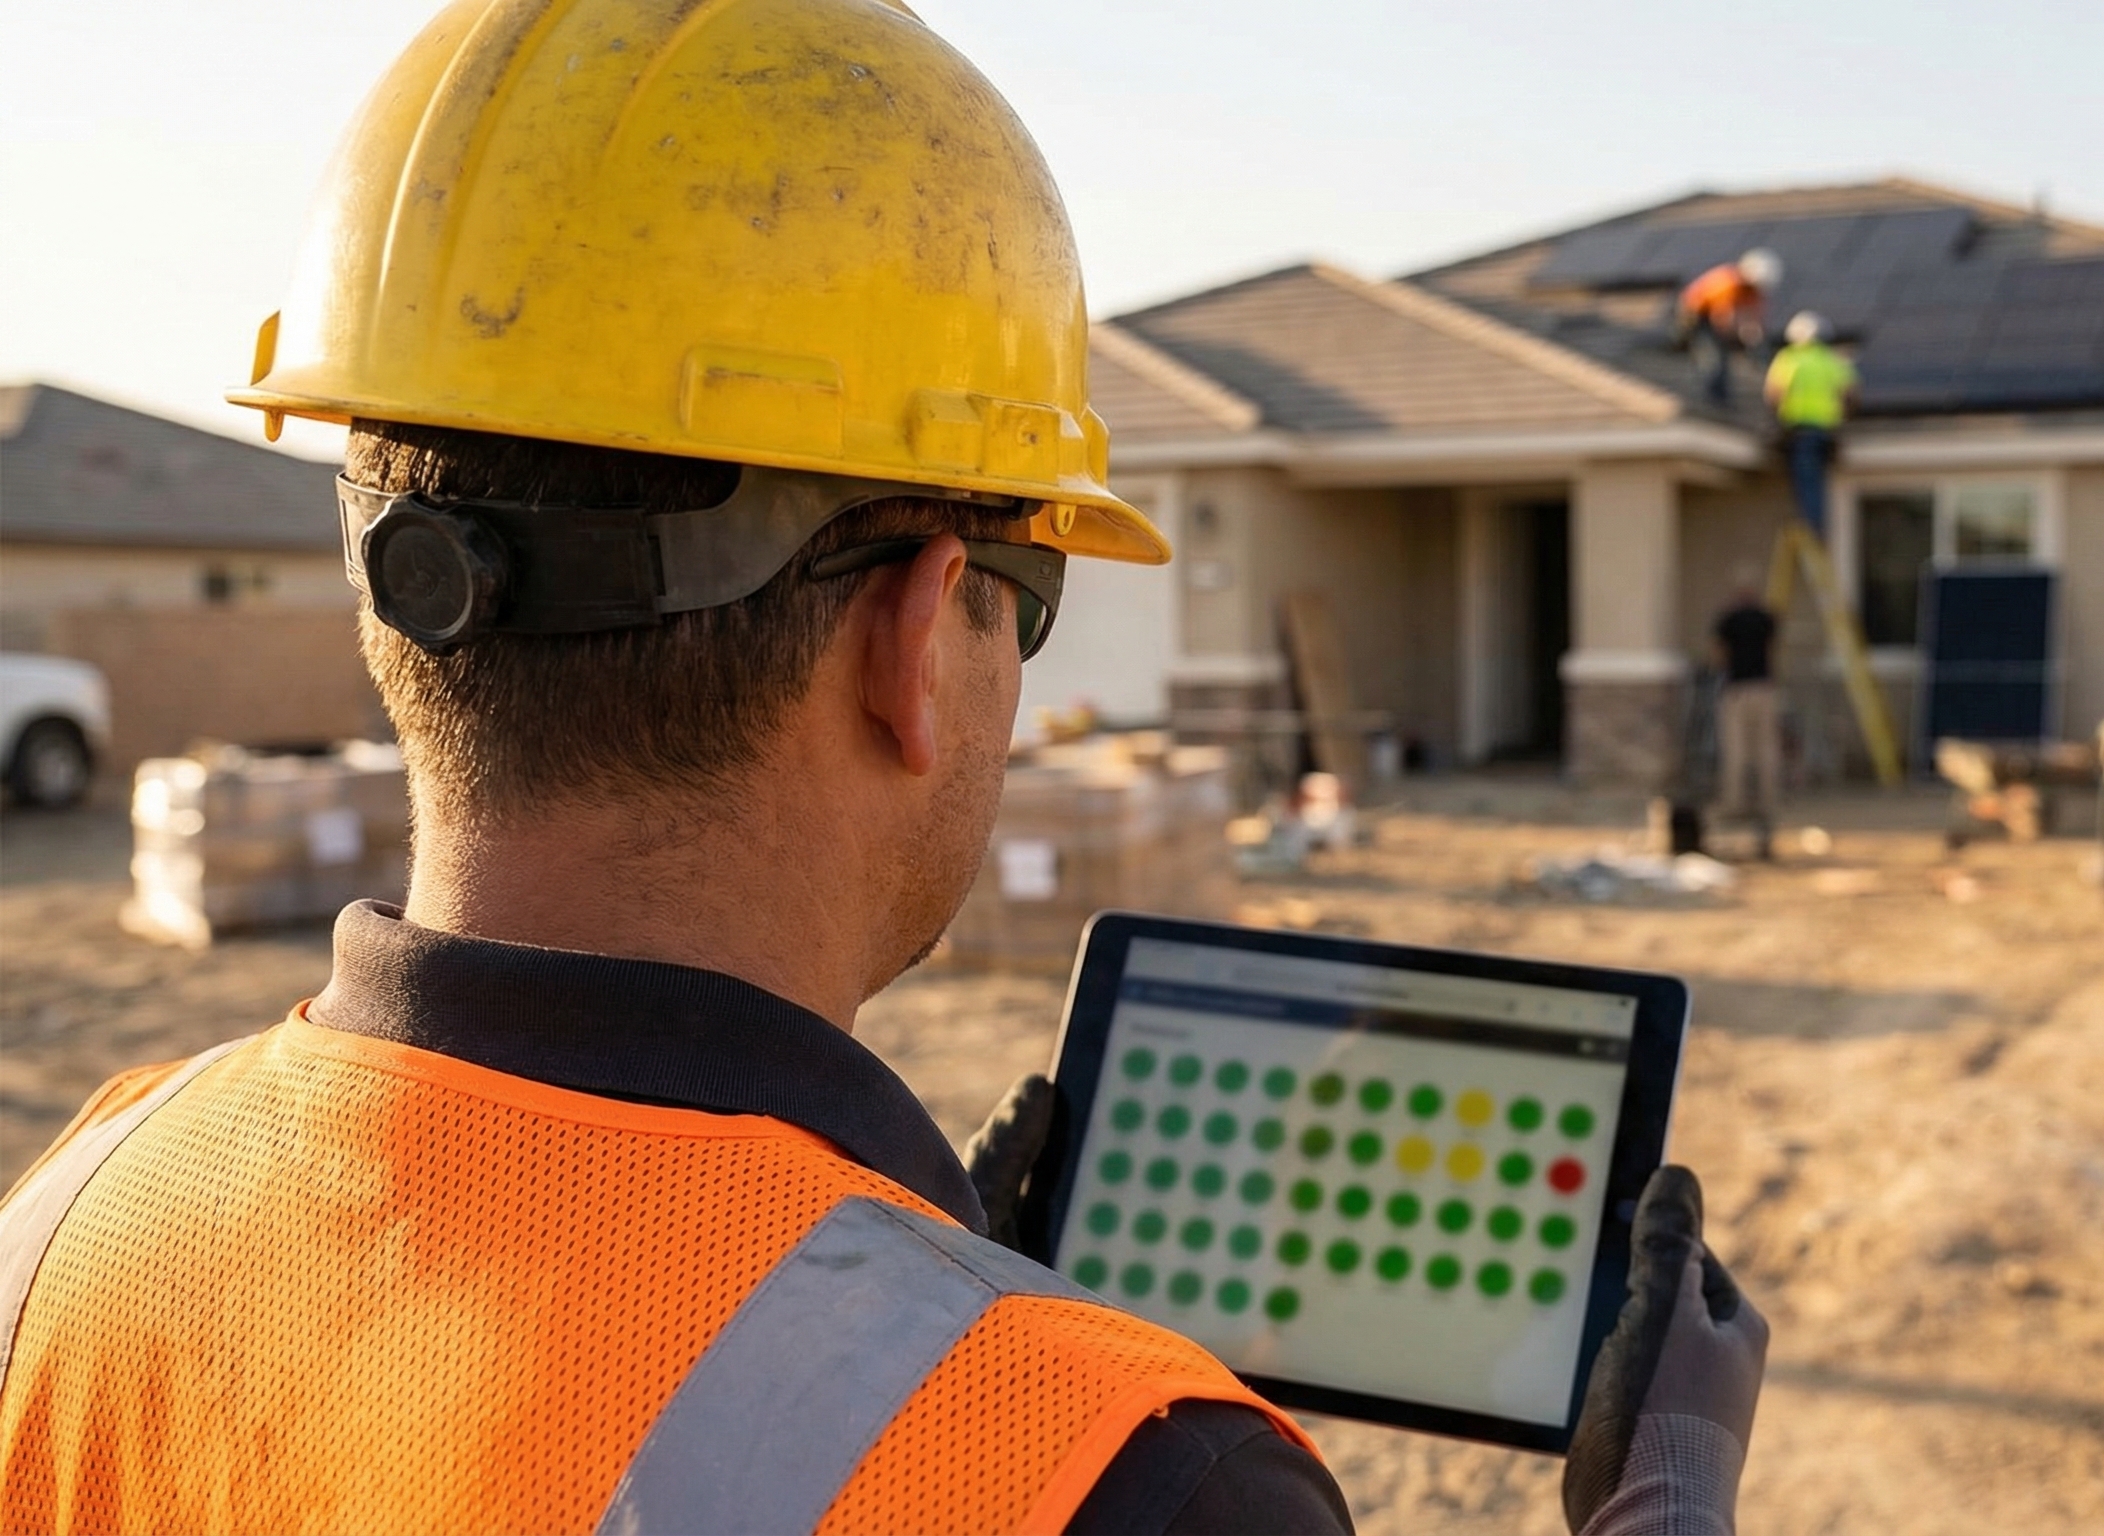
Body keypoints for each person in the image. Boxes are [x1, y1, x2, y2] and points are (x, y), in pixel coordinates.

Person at [0, 3, 1767, 1534]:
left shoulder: (70, 1226)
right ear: (925, 640)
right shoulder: (1129, 1483)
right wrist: (1663, 1499)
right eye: (1034, 594)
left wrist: (893, 1280)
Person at [1764, 312, 1857, 538]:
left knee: (1807, 480)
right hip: (1826, 432)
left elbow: (1774, 393)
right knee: (1818, 479)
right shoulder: (1833, 360)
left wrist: (1778, 422)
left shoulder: (1789, 359)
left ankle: (1812, 530)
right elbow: (1850, 395)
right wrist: (1840, 420)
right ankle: (1817, 526)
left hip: (1801, 431)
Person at [1713, 580, 1783, 860]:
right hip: (1764, 688)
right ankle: (1767, 801)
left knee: (1736, 749)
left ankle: (1735, 801)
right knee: (1766, 750)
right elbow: (1774, 650)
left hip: (1738, 689)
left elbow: (1718, 652)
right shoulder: (1766, 619)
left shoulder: (1728, 620)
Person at [1674, 248, 1782, 404]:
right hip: (1697, 314)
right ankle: (1715, 396)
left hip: (1718, 316)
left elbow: (1755, 314)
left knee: (1725, 351)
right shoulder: (1728, 283)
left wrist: (1753, 334)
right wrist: (1736, 335)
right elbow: (1722, 317)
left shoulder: (1754, 290)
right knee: (1714, 355)